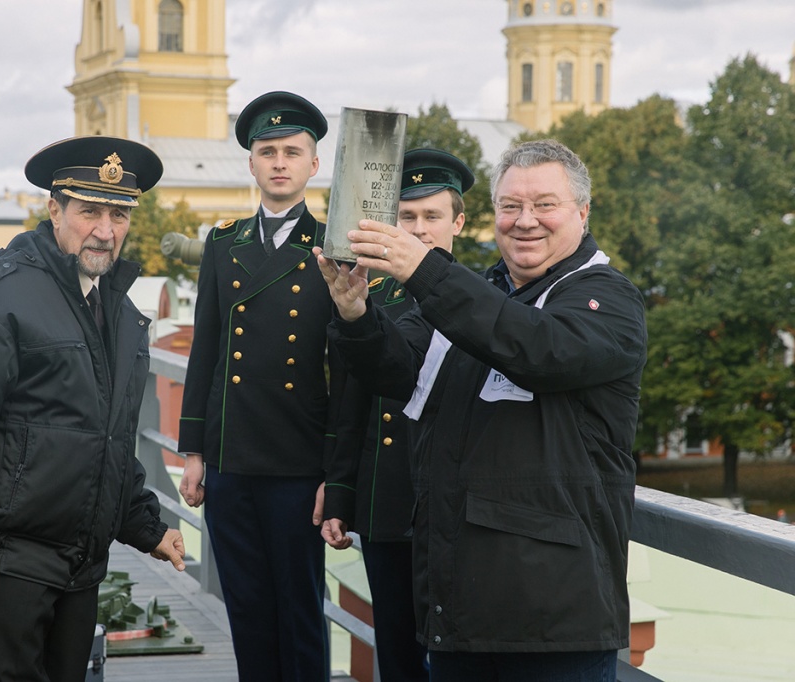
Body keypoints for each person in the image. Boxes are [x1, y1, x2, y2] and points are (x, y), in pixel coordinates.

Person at [316, 139, 647, 681]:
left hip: (551, 622)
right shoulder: (481, 292)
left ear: (582, 212)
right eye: (511, 206)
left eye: (545, 205)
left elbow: (535, 349)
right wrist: (355, 316)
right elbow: (398, 370)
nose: (525, 221)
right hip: (459, 613)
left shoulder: (606, 299)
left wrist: (425, 272)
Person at [0, 136, 187, 682]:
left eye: (119, 213)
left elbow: (107, 435)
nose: (106, 229)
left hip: (81, 565)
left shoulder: (116, 310)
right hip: (10, 563)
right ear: (55, 210)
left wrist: (144, 523)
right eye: (90, 211)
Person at [177, 90, 347, 681]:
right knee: (246, 605)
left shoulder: (334, 245)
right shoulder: (224, 242)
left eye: (292, 151)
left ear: (312, 165)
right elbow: (207, 346)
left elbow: (346, 370)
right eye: (267, 150)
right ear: (250, 163)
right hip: (231, 456)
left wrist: (336, 470)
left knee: (300, 610)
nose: (279, 162)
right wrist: (194, 452)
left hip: (299, 458)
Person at [320, 148, 475, 682]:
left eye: (432, 216)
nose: (419, 229)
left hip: (456, 510)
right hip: (387, 499)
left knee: (456, 656)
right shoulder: (366, 295)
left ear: (458, 222)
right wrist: (340, 492)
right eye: (407, 217)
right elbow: (350, 404)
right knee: (397, 653)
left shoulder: (481, 298)